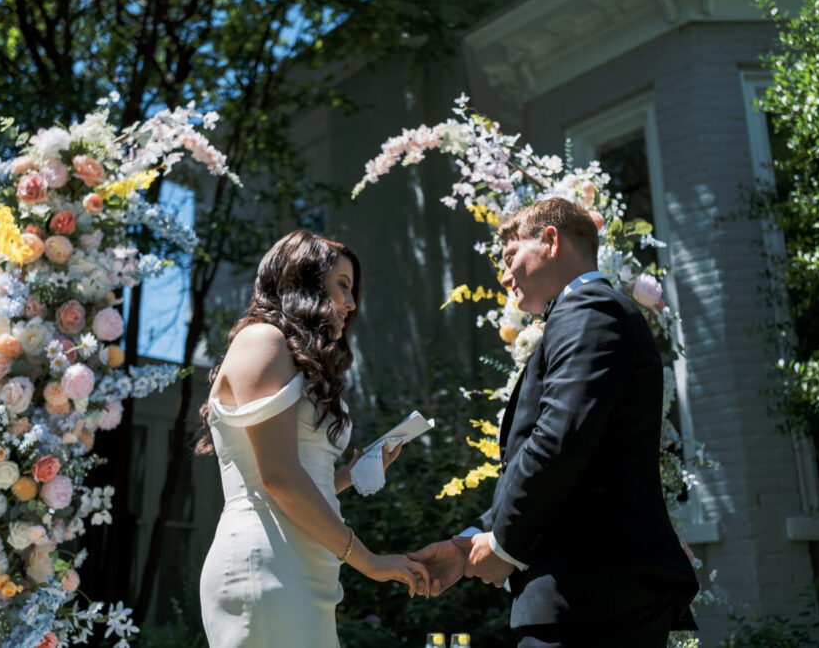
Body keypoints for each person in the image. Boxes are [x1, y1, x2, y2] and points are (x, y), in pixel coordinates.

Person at [410, 198, 699, 647]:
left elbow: (559, 444)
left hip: (595, 597)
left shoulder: (590, 312)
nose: (504, 277)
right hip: (584, 595)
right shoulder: (585, 315)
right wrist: (469, 545)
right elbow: (555, 455)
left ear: (550, 240)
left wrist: (504, 545)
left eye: (509, 259)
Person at [198, 229, 429, 647]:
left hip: (305, 563)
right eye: (342, 286)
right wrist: (369, 561)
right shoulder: (262, 340)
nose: (352, 303)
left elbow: (296, 472)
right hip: (265, 560)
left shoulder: (288, 354)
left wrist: (348, 475)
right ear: (303, 281)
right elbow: (278, 478)